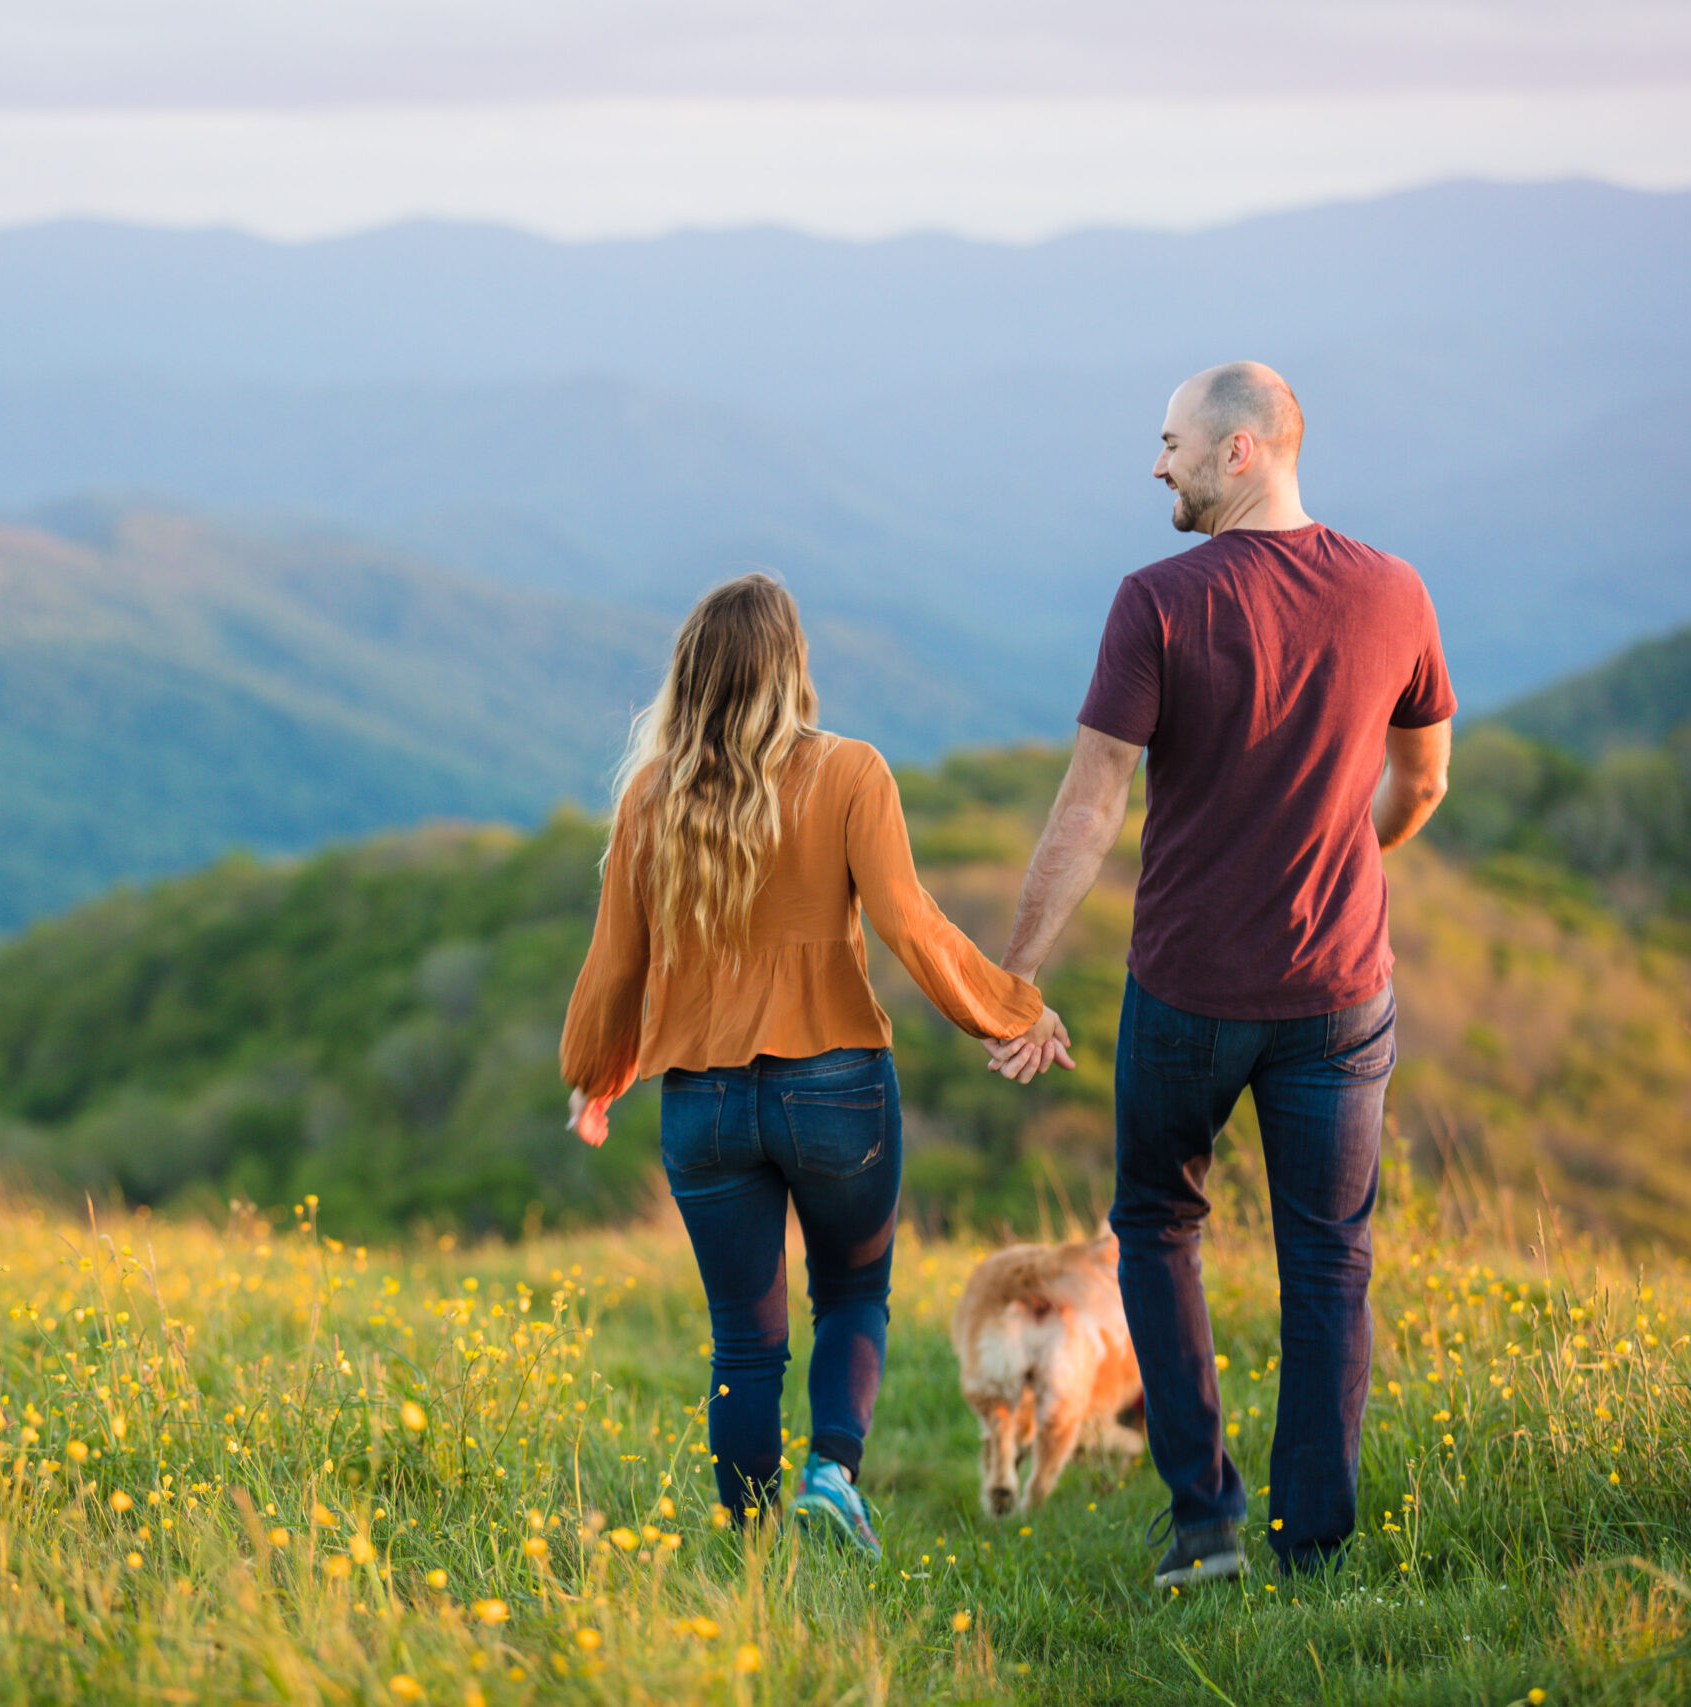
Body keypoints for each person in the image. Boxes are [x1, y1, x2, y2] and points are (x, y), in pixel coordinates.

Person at [986, 362, 1454, 1588]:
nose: (1157, 464)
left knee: (1155, 1225)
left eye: (1172, 442)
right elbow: (1424, 783)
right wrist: (1354, 853)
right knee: (1328, 1258)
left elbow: (1090, 807)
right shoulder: (1395, 591)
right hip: (1340, 992)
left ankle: (1203, 1521)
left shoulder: (1156, 600)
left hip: (1187, 990)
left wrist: (1015, 978)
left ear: (1241, 451)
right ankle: (1312, 1543)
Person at [561, 573, 1052, 1558]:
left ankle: (750, 1548)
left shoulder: (650, 796)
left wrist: (596, 1073)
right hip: (836, 1089)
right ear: (792, 668)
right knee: (853, 1294)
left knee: (745, 1341)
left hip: (701, 1100)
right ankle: (833, 1472)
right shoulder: (849, 772)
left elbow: (616, 964)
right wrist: (1009, 1011)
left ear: (690, 676)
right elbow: (910, 926)